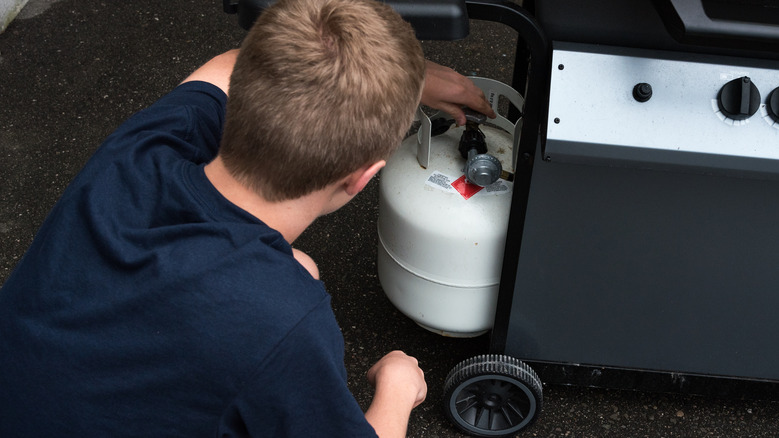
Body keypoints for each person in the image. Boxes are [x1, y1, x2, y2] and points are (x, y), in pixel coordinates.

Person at [0, 0, 494, 436]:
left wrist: (411, 77)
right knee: (294, 285)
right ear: (361, 179)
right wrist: (397, 387)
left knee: (296, 268)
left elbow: (227, 65)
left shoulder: (142, 150)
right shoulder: (284, 321)